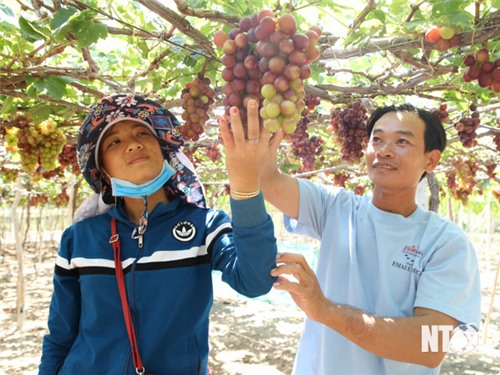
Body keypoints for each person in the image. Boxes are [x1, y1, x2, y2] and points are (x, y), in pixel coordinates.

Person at [233, 103, 481, 374]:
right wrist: (260, 123)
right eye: (376, 139)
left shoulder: (446, 243)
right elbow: (267, 180)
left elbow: (431, 345)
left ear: (431, 160)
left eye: (401, 141)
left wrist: (325, 310)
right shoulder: (336, 208)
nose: (384, 150)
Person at [39, 94, 277, 374]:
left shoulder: (206, 226)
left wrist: (245, 186)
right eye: (114, 142)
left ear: (164, 150)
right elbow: (60, 334)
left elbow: (256, 280)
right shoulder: (78, 240)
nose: (134, 144)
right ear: (102, 171)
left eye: (143, 133)